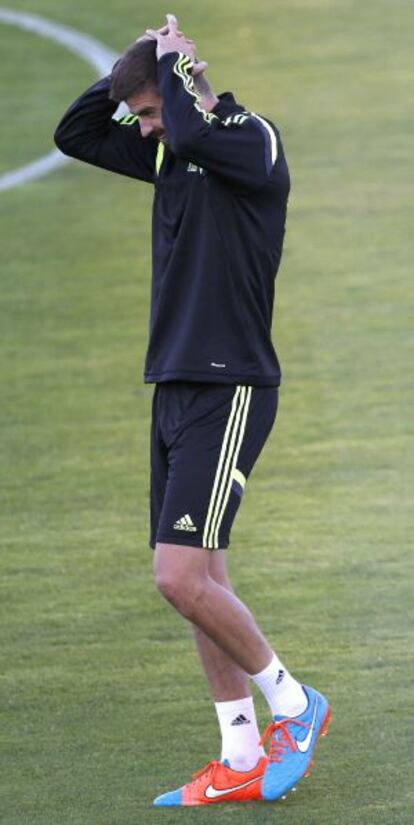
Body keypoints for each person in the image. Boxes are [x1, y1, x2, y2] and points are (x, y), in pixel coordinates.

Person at [54, 13, 330, 807]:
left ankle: (294, 702)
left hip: (231, 384)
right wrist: (136, 66)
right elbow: (76, 131)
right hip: (174, 384)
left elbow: (205, 134)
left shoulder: (252, 142)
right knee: (201, 575)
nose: (145, 131)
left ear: (177, 100)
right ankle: (239, 750)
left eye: (149, 113)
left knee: (177, 576)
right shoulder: (176, 153)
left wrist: (178, 80)